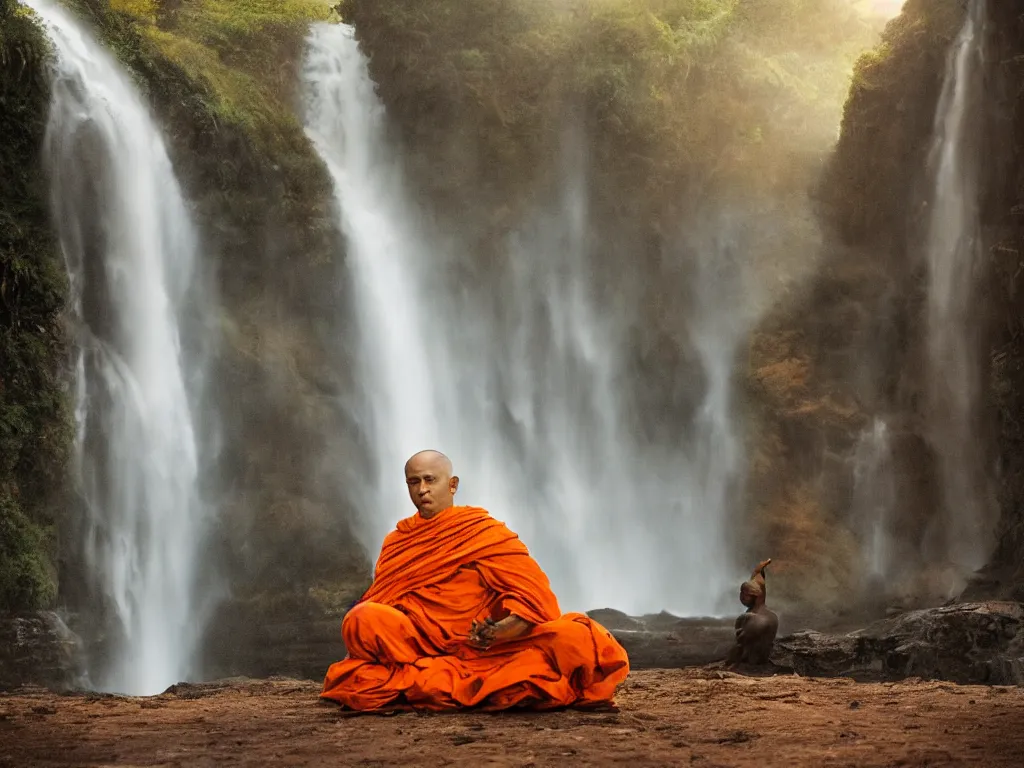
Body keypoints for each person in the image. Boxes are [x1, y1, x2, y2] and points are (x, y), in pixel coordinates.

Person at [320, 449, 630, 712]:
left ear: (452, 485)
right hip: (417, 644)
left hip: (484, 646)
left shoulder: (484, 532)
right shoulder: (398, 541)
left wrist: (498, 631)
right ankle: (450, 675)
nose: (422, 489)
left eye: (430, 480)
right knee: (361, 619)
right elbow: (385, 600)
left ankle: (427, 677)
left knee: (575, 637)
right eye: (414, 482)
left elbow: (532, 598)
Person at [724, 558, 779, 666]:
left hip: (753, 662)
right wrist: (759, 569)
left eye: (745, 594)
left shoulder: (756, 620)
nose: (741, 597)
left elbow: (740, 646)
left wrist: (730, 661)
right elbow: (756, 577)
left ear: (755, 595)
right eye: (741, 594)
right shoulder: (766, 615)